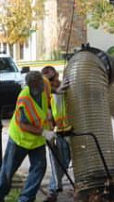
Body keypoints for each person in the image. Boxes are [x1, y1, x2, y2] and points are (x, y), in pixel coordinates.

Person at [0, 70, 54, 202]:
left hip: (37, 141)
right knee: (7, 171)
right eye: (33, 86)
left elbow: (45, 107)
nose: (37, 88)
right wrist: (44, 133)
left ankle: (25, 199)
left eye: (38, 85)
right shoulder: (24, 98)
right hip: (20, 139)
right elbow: (24, 125)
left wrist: (49, 120)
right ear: (29, 85)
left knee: (39, 168)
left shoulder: (43, 88)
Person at [41, 66, 71, 202]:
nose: (51, 82)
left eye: (53, 78)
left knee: (62, 162)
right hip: (58, 133)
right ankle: (53, 191)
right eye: (48, 80)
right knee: (59, 162)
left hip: (70, 131)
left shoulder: (63, 87)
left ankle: (54, 191)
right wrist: (49, 134)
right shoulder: (46, 94)